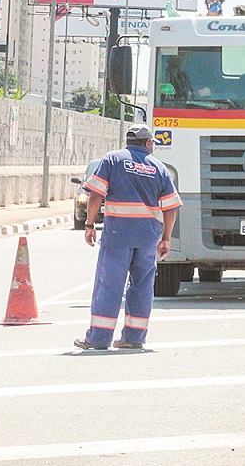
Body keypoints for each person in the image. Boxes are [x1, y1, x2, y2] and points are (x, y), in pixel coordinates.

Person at [74, 124, 182, 350]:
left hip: (118, 235)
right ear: (148, 143)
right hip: (147, 237)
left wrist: (90, 224)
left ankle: (99, 338)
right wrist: (166, 238)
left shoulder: (113, 159)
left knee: (109, 285)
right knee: (142, 286)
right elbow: (170, 208)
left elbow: (95, 195)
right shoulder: (159, 168)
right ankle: (134, 338)